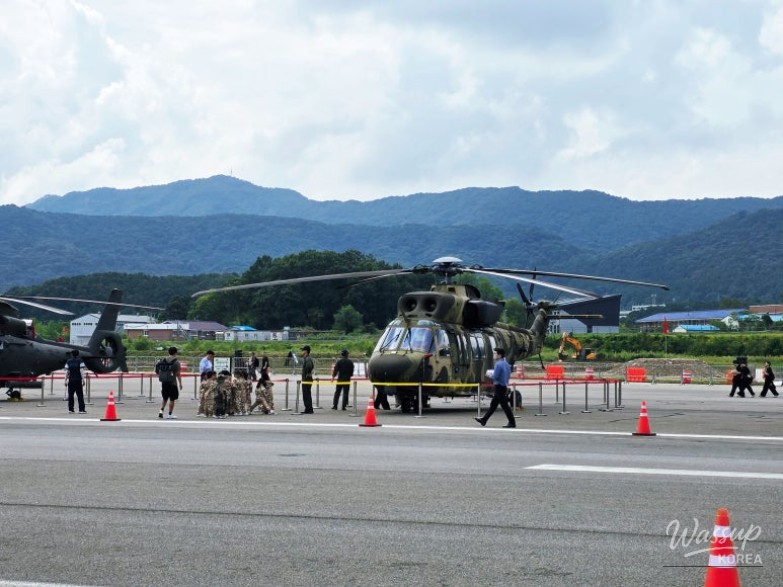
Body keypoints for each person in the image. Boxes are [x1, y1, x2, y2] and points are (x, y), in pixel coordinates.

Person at [474, 348, 516, 428]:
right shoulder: (506, 364)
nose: (494, 355)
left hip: (499, 386)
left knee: (504, 405)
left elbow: (496, 376)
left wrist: (489, 374)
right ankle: (484, 420)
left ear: (499, 355)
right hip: (503, 386)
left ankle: (512, 422)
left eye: (495, 353)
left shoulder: (498, 364)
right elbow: (508, 374)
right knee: (493, 405)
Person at [157, 346, 182, 419]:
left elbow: (158, 370)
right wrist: (180, 383)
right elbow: (178, 374)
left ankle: (161, 411)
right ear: (175, 352)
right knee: (172, 399)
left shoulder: (162, 360)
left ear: (168, 352)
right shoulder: (176, 362)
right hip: (172, 382)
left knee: (165, 398)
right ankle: (170, 414)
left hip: (164, 382)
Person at [64, 349, 86, 414]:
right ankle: (81, 410)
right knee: (80, 395)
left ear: (72, 354)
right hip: (78, 380)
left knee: (70, 395)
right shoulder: (80, 361)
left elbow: (67, 372)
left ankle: (71, 409)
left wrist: (65, 380)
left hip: (71, 380)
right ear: (78, 354)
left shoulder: (69, 361)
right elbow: (81, 371)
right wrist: (83, 380)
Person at [300, 345, 314, 414]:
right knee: (306, 394)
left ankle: (309, 409)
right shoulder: (306, 358)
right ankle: (308, 408)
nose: (302, 351)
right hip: (306, 379)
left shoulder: (308, 359)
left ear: (306, 351)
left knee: (306, 394)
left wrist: (307, 373)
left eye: (303, 350)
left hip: (307, 379)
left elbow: (309, 366)